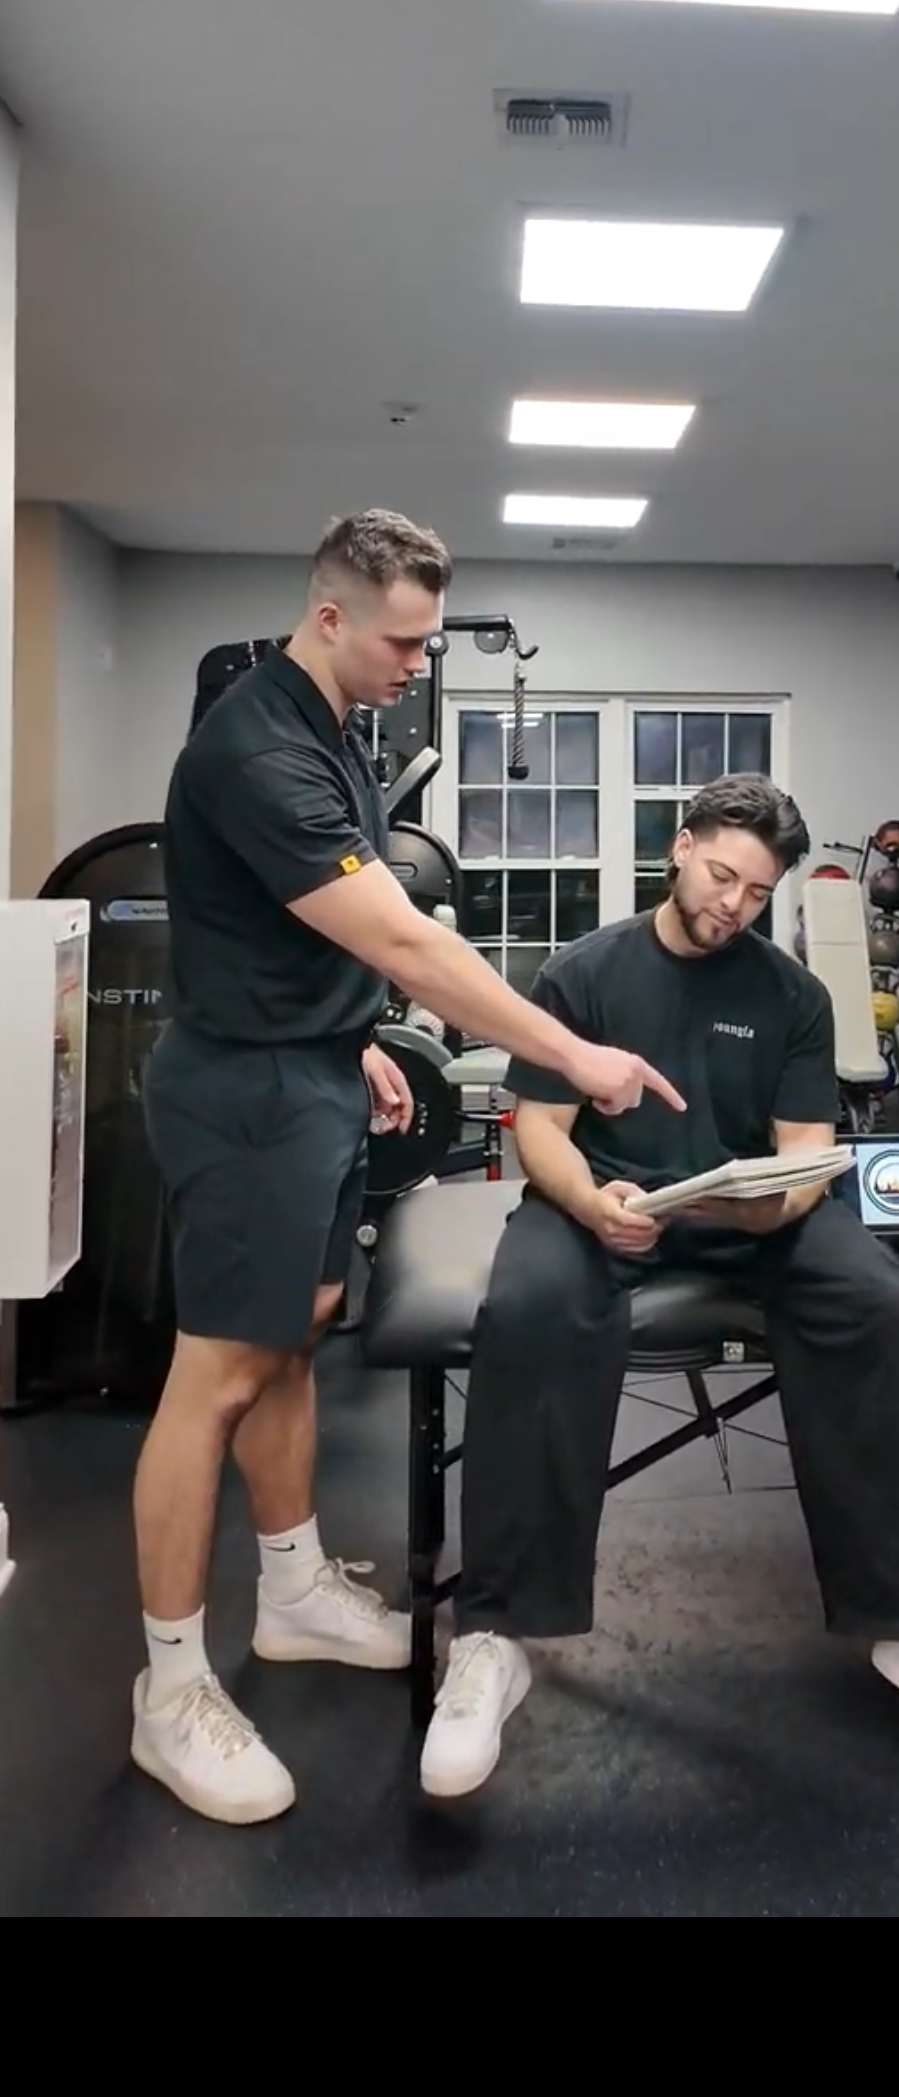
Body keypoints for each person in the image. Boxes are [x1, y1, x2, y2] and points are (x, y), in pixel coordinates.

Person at [132, 508, 684, 1827]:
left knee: (295, 1332)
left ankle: (293, 1590)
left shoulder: (334, 721)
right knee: (215, 1374)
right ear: (329, 616)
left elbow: (306, 928)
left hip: (311, 1069)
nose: (417, 664)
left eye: (428, 641)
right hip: (246, 1095)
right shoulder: (258, 747)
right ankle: (168, 1688)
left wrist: (355, 1038)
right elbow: (405, 940)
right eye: (402, 641)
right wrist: (575, 1053)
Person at [421, 774, 899, 1800]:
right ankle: (496, 1635)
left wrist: (768, 1208)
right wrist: (594, 1203)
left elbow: (806, 1151)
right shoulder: (583, 973)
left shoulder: (793, 996)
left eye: (757, 891)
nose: (734, 903)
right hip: (605, 1204)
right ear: (682, 846)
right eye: (723, 876)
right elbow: (540, 1135)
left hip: (745, 1217)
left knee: (870, 1299)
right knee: (529, 1305)